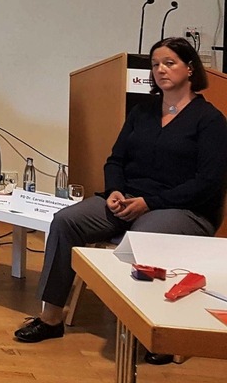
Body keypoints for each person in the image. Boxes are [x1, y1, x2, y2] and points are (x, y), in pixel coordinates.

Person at [14, 37, 227, 348]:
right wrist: (114, 190)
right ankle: (51, 317)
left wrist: (149, 203)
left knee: (142, 237)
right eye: (155, 65)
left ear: (190, 68)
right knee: (65, 220)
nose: (160, 70)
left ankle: (157, 332)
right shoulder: (143, 112)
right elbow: (116, 159)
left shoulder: (210, 120)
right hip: (129, 199)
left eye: (169, 63)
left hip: (185, 209)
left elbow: (208, 183)